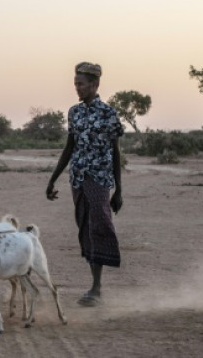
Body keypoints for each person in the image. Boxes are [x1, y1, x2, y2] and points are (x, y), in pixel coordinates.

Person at [46, 62, 124, 307]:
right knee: (85, 227)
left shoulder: (108, 113)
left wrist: (119, 189)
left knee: (100, 224)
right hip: (78, 178)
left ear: (95, 84)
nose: (77, 88)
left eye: (81, 84)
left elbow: (116, 151)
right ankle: (94, 286)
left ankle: (97, 287)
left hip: (100, 178)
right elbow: (69, 148)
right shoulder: (74, 113)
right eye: (75, 84)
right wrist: (52, 179)